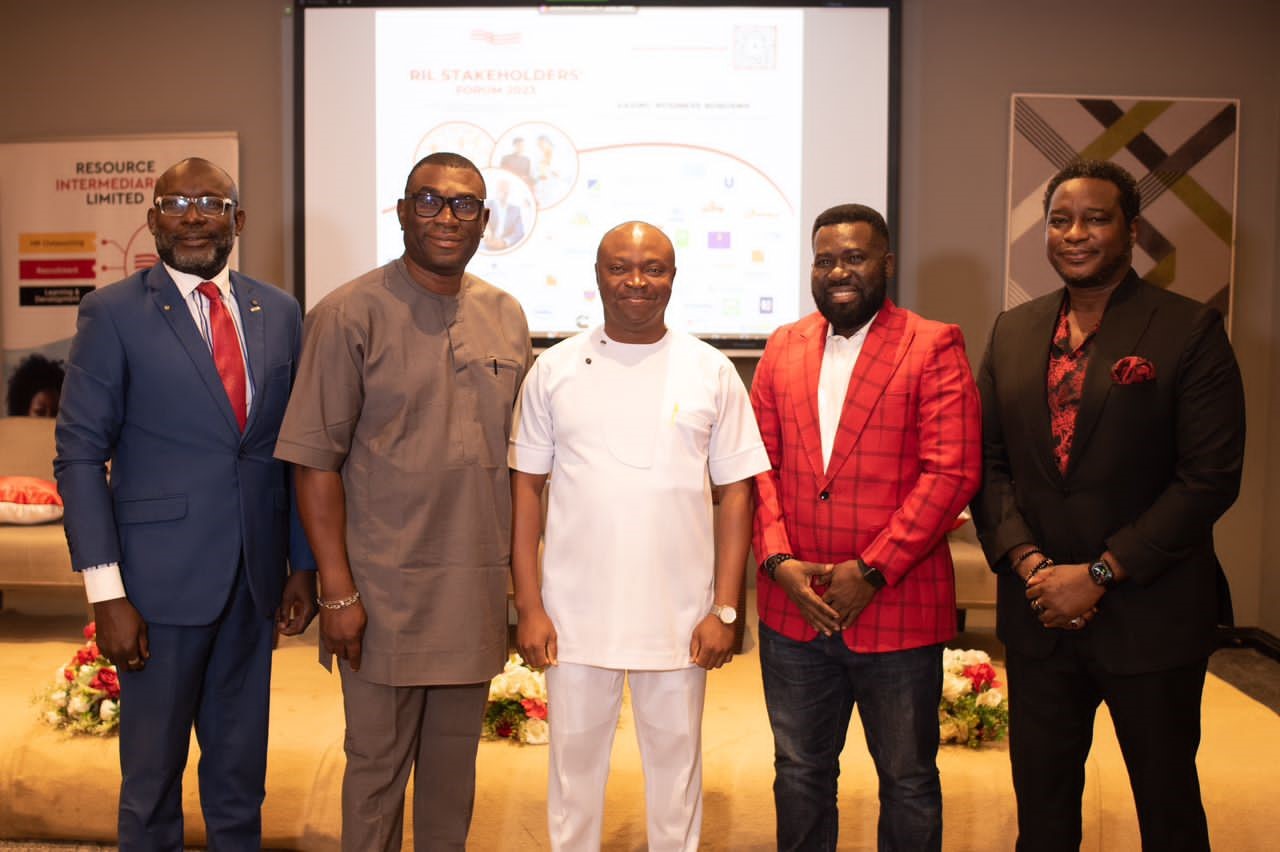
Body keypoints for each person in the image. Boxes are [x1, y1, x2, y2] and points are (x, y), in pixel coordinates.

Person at [972, 159, 1245, 852]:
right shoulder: (1013, 331)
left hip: (1150, 618)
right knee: (1043, 811)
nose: (1074, 234)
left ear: (1131, 231)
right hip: (1039, 621)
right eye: (1060, 220)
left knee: (1168, 810)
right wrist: (1033, 564)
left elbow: (1207, 480)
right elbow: (988, 465)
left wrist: (1096, 575)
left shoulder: (1189, 331)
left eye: (1095, 219)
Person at [53, 157, 317, 851]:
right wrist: (106, 592)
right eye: (175, 202)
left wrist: (301, 564)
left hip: (254, 584)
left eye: (210, 201)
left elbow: (291, 450)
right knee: (151, 782)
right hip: (154, 591)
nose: (193, 215)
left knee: (240, 780)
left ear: (238, 219)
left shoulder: (279, 311)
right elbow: (79, 456)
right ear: (152, 219)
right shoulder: (112, 313)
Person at [274, 152, 531, 852]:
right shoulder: (348, 313)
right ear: (401, 212)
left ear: (485, 221)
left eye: (464, 205)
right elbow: (315, 465)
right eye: (429, 200)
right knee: (376, 776)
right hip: (381, 594)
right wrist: (337, 592)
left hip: (473, 594)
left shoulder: (506, 317)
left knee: (453, 782)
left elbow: (520, 467)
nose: (446, 217)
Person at [509, 221, 770, 851]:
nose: (636, 282)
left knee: (677, 782)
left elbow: (737, 494)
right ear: (597, 276)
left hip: (680, 621)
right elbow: (525, 491)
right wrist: (531, 606)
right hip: (573, 621)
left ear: (673, 279)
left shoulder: (711, 371)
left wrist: (725, 609)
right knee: (572, 783)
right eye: (620, 267)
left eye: (652, 268)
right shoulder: (553, 370)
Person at [750, 203, 981, 852]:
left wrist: (872, 569)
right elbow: (755, 467)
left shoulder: (933, 344)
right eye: (825, 260)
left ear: (886, 263)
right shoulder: (781, 347)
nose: (838, 272)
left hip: (897, 606)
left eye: (854, 258)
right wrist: (776, 561)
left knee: (906, 779)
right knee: (799, 772)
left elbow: (952, 474)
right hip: (793, 607)